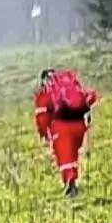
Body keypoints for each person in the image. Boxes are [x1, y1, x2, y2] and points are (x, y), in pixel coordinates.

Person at [35, 69, 97, 197]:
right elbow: (89, 97)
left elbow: (42, 116)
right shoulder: (69, 86)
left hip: (61, 127)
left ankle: (70, 183)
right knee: (73, 155)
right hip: (79, 125)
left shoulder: (46, 93)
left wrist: (44, 134)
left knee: (65, 156)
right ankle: (73, 179)